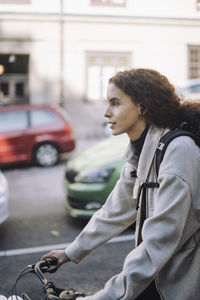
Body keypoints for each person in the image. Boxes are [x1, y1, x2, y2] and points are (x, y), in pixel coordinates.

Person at [41, 68, 200, 300]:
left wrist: (104, 297)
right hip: (157, 276)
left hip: (181, 283)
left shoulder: (178, 151)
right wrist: (69, 253)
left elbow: (158, 241)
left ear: (142, 107)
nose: (106, 113)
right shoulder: (141, 149)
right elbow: (114, 210)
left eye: (115, 103)